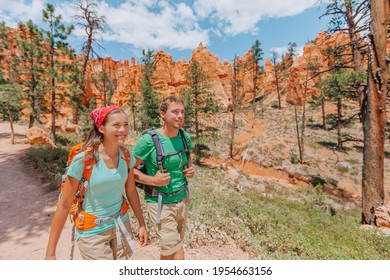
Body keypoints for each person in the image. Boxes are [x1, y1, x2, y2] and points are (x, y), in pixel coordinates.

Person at [45, 105, 148, 260]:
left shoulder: (126, 156)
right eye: (116, 125)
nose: (123, 130)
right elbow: (65, 204)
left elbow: (131, 191)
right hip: (92, 233)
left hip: (121, 225)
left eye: (126, 125)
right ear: (101, 128)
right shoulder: (83, 161)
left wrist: (141, 224)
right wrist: (50, 253)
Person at [133, 95, 195, 260]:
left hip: (182, 200)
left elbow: (188, 162)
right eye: (175, 112)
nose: (180, 116)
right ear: (162, 114)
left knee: (170, 251)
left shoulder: (184, 137)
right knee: (177, 253)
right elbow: (127, 170)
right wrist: (152, 180)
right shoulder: (148, 141)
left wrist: (190, 170)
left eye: (182, 112)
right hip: (160, 203)